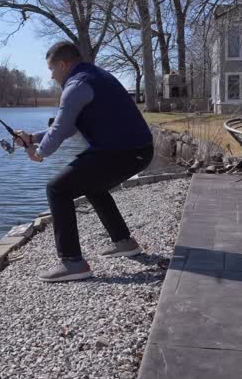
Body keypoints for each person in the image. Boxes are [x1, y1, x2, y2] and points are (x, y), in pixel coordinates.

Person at [15, 41, 154, 282]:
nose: (50, 76)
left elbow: (59, 130)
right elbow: (67, 127)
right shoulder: (93, 75)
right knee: (91, 184)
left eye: (51, 69)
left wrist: (39, 153)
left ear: (62, 64)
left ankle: (73, 263)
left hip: (123, 152)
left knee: (57, 188)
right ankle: (124, 242)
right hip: (136, 150)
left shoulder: (76, 86)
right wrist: (32, 138)